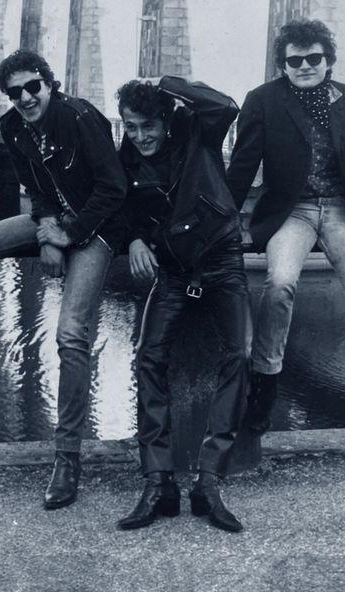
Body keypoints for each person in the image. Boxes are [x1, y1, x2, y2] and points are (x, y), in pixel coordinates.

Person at [0, 49, 128, 509]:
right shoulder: (13, 127)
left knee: (70, 334)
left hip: (97, 228)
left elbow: (114, 188)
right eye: (15, 93)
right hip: (56, 223)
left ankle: (67, 456)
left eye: (33, 87)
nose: (26, 98)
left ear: (49, 84)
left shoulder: (79, 117)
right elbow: (36, 188)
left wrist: (68, 234)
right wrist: (48, 230)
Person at [226, 19, 345, 474]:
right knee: (280, 283)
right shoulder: (263, 100)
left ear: (329, 60)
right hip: (293, 211)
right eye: (294, 60)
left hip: (344, 212)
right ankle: (264, 390)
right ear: (282, 64)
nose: (304, 66)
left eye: (314, 58)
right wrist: (222, 222)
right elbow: (242, 166)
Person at [115, 76, 249, 533]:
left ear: (166, 120)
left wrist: (166, 83)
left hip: (222, 262)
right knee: (148, 357)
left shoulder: (196, 131)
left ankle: (209, 483)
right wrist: (134, 238)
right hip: (174, 272)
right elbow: (125, 207)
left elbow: (225, 105)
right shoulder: (128, 155)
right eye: (131, 127)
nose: (140, 136)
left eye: (148, 125)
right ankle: (159, 483)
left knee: (239, 355)